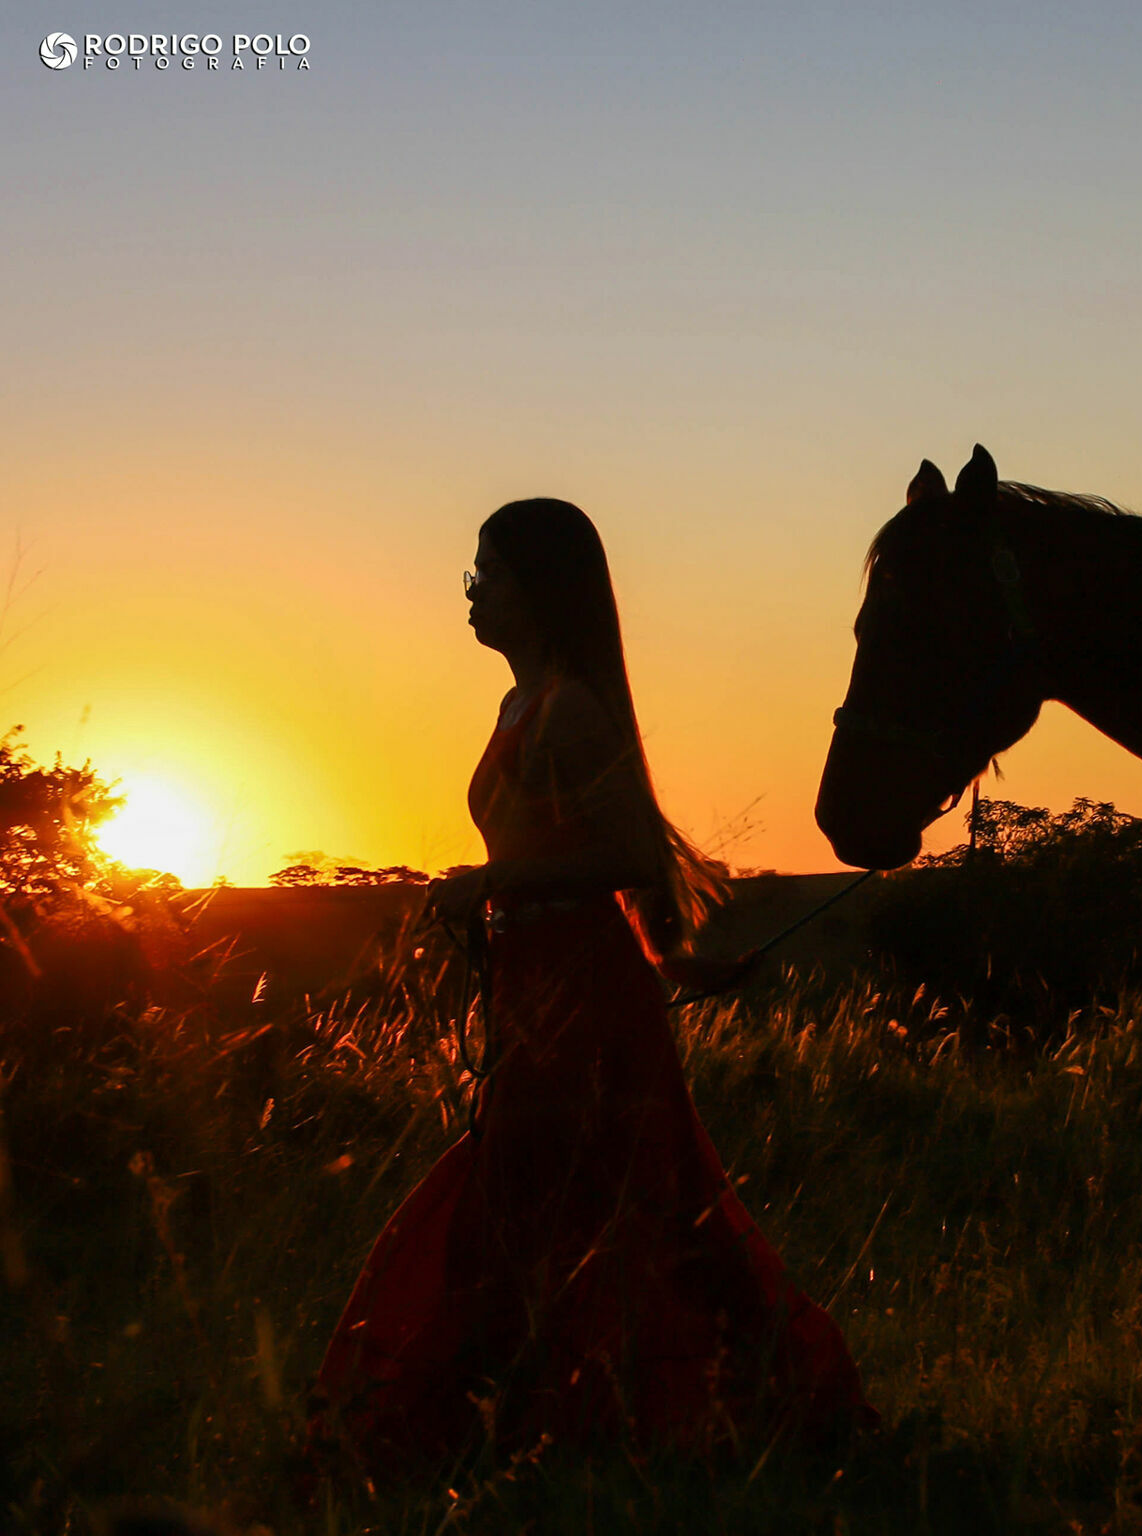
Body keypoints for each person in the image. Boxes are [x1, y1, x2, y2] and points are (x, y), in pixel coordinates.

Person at [308, 498, 873, 1479]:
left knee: (596, 1202)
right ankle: (538, 1428)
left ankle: (700, 1411)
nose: (472, 591)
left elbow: (624, 850)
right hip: (533, 981)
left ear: (539, 590)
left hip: (581, 989)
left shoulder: (571, 708)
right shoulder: (520, 704)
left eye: (488, 572)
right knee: (544, 1202)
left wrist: (499, 884)